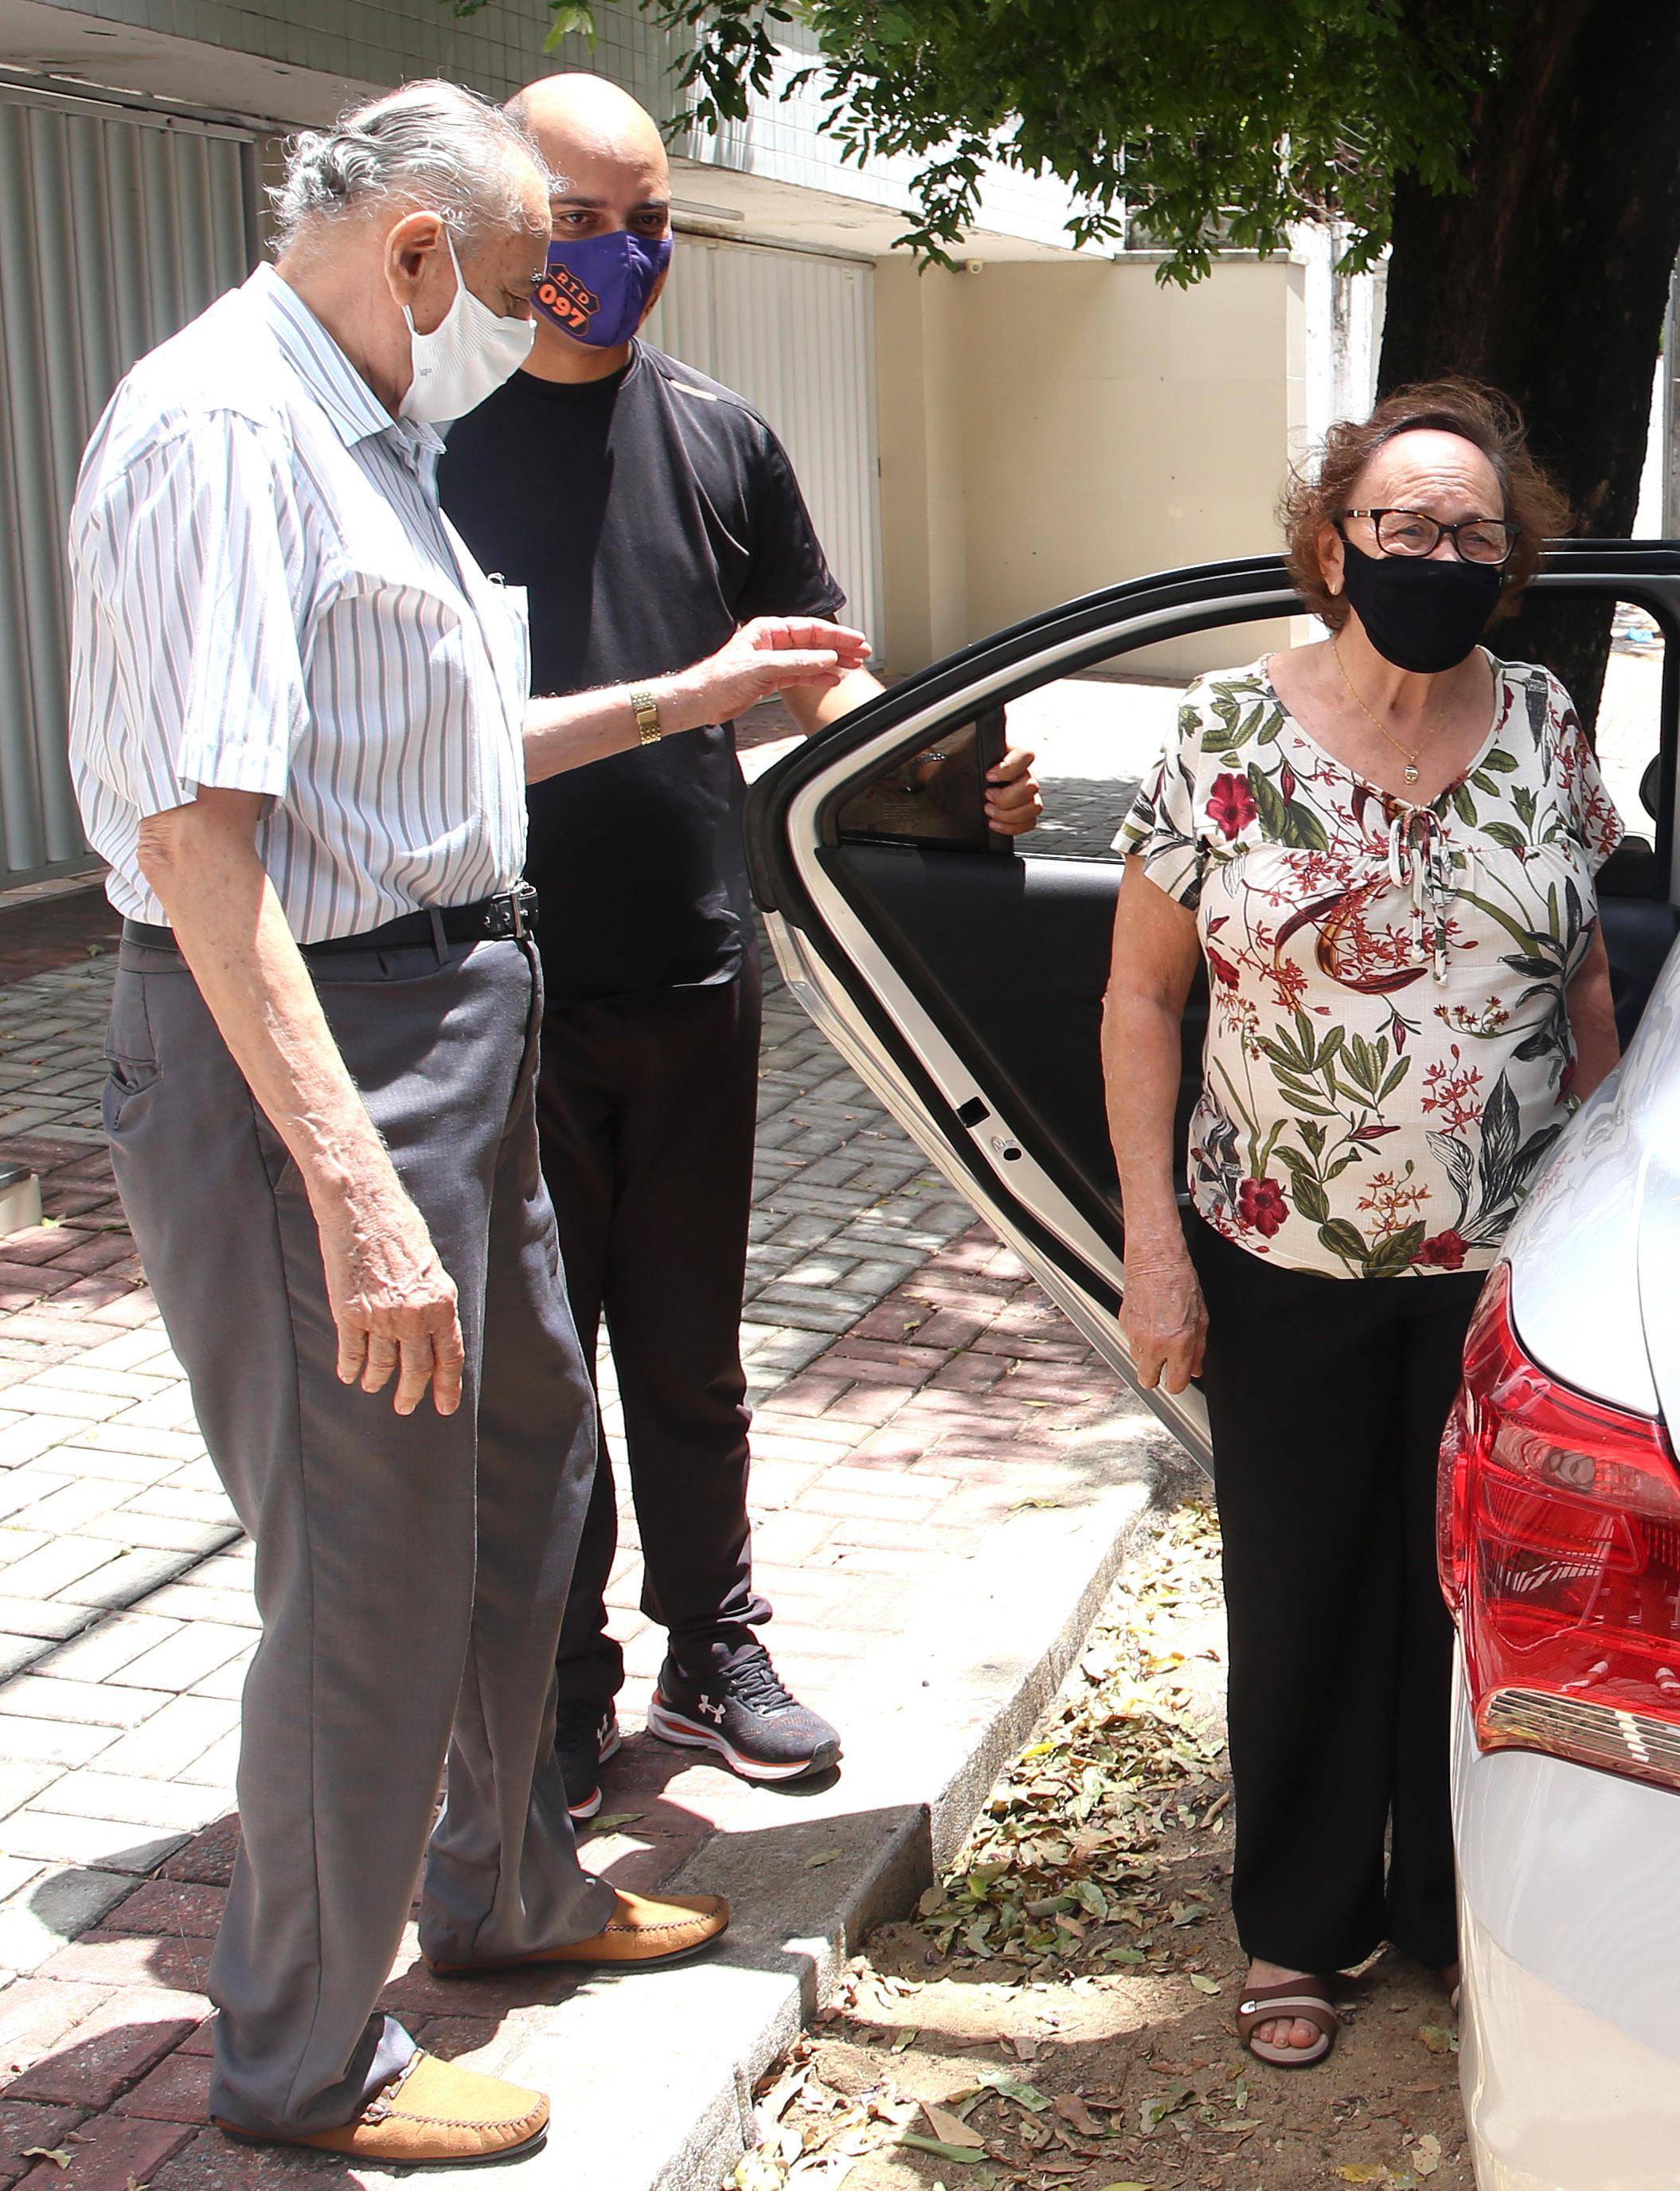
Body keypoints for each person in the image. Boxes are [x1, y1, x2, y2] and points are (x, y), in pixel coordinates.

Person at [67, 80, 865, 2166]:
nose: (530, 323)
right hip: (315, 1049)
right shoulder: (224, 435)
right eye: (514, 284)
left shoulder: (366, 433)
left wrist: (689, 695)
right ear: (415, 250)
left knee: (521, 1480)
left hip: (460, 1010)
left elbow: (429, 749)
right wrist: (350, 1184)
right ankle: (301, 2053)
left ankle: (510, 1877)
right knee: (364, 1563)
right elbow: (202, 843)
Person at [437, 72, 1044, 1825]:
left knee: (689, 1348)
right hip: (511, 987)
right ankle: (560, 1692)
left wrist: (934, 774)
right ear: (501, 226)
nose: (623, 256)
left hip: (701, 967)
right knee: (537, 1376)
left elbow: (815, 670)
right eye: (582, 222)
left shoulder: (722, 437)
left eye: (650, 223)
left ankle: (716, 1647)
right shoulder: (434, 473)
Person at [1100, 380, 1616, 2069]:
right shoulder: (1224, 731)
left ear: (1509, 559)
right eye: (1406, 525)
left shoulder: (1543, 716)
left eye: (1473, 532)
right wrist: (1153, 1247)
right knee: (1309, 1590)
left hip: (1502, 1265)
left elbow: (1588, 968)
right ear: (1336, 541)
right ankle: (1300, 1928)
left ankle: (1463, 1907)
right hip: (1285, 1253)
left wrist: (1608, 1202)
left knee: (1478, 1597)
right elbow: (1136, 1000)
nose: (1439, 553)